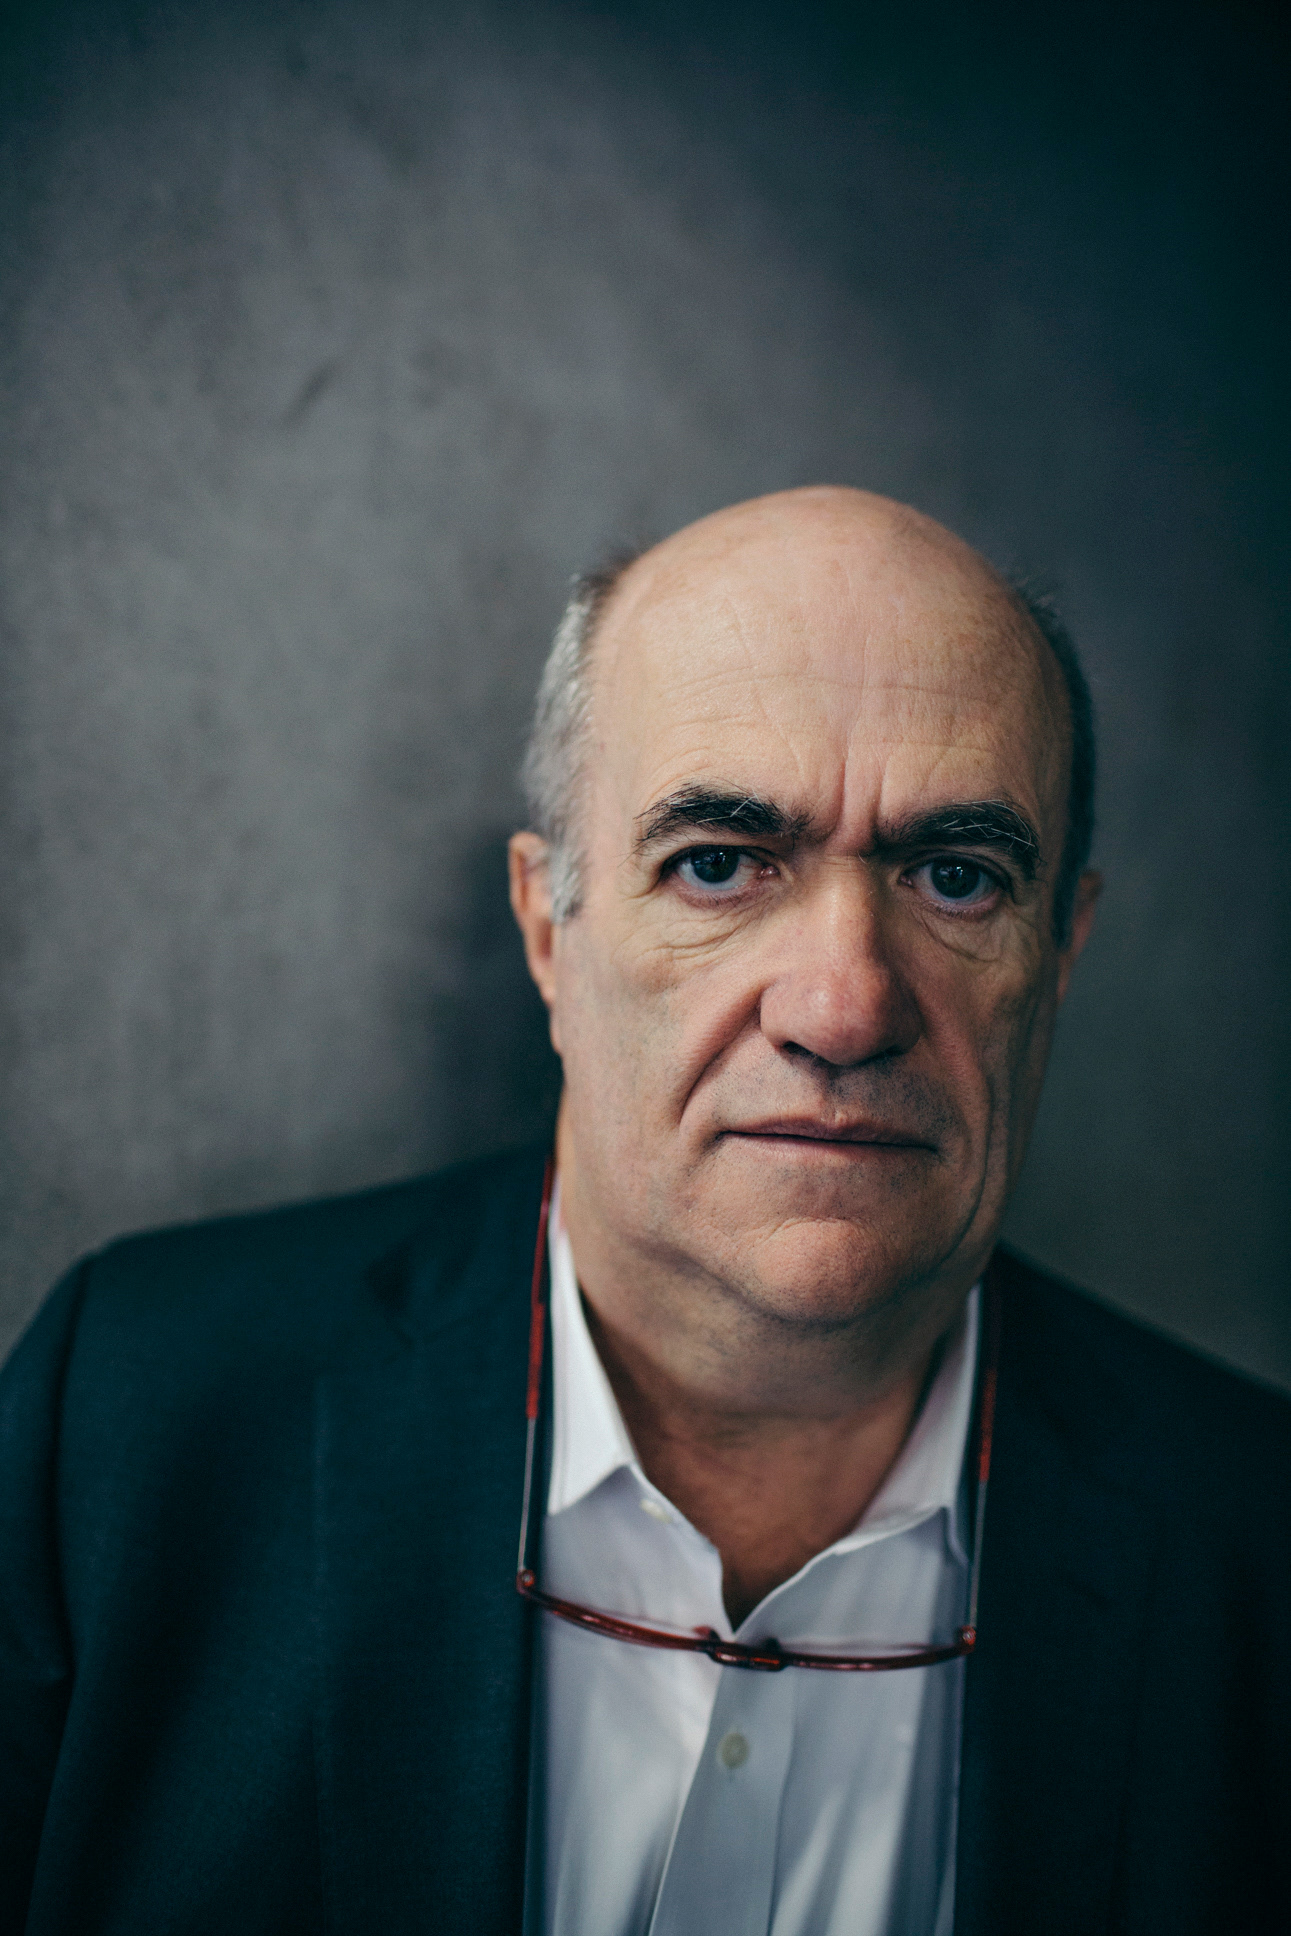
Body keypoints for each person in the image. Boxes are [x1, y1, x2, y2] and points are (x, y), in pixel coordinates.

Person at [0, 487, 1286, 1936]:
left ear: (1060, 956)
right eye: (718, 864)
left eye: (955, 877)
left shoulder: (1263, 1557)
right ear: (549, 928)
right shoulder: (121, 1430)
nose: (843, 1007)